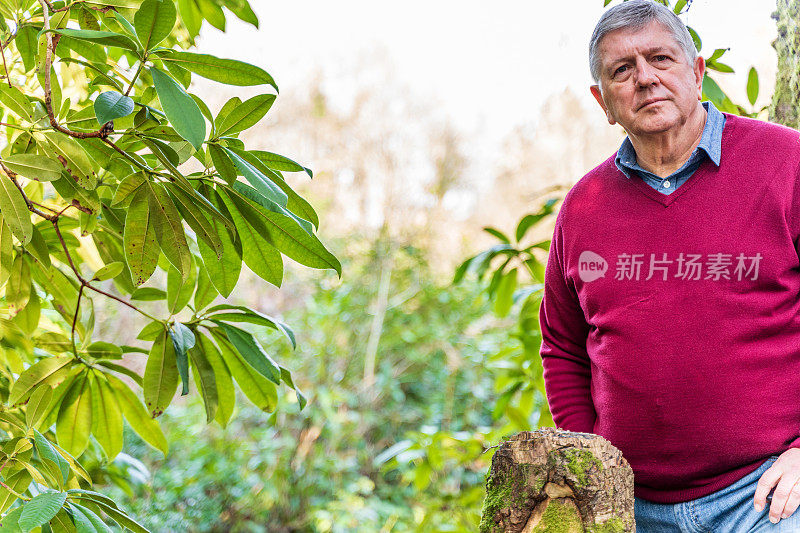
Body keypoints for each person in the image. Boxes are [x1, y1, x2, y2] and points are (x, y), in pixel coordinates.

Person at [537, 0, 800, 530]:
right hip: (627, 505)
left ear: (697, 72)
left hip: (770, 494)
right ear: (603, 101)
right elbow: (563, 345)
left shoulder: (787, 164)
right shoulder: (583, 209)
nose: (646, 79)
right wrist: (592, 460)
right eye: (622, 70)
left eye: (661, 58)